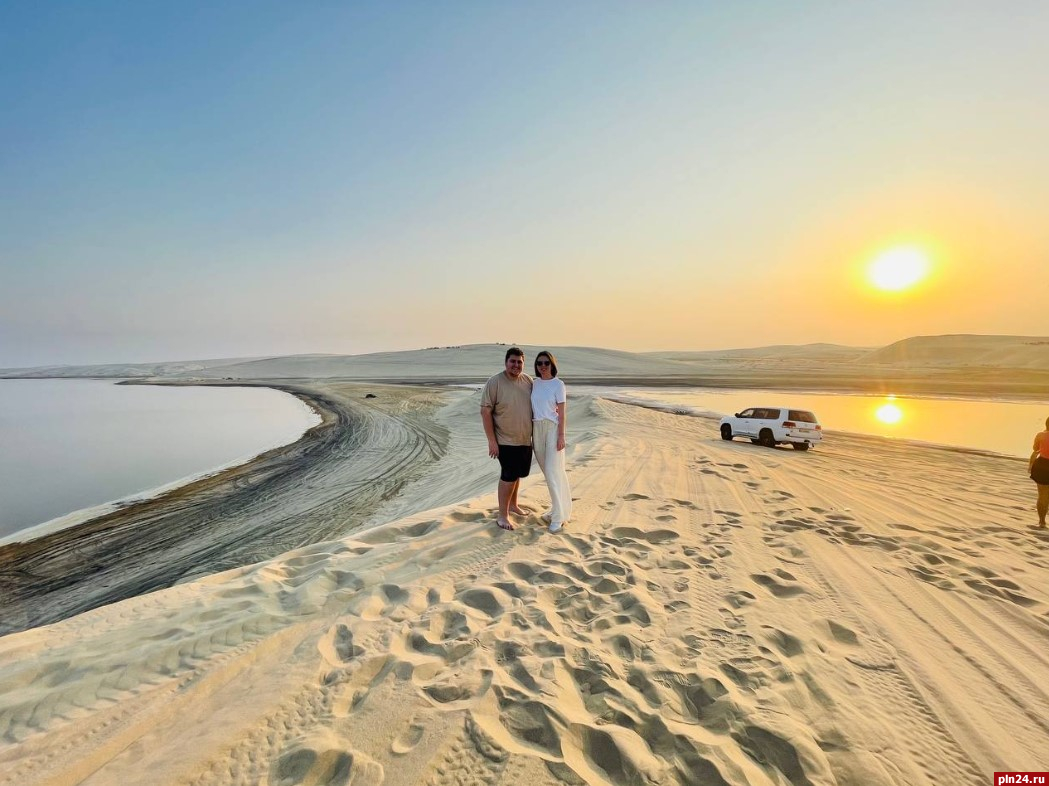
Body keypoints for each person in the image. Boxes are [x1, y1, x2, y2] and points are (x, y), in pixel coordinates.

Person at [480, 347, 534, 531]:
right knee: (508, 476)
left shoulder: (528, 381)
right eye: (512, 361)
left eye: (519, 362)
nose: (516, 365)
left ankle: (513, 505)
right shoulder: (495, 382)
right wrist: (491, 441)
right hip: (505, 440)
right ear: (506, 362)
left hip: (524, 439)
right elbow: (485, 411)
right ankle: (502, 516)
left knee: (517, 474)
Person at [531, 350, 572, 533]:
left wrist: (561, 436)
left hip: (553, 429)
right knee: (549, 473)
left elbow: (562, 414)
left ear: (552, 364)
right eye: (539, 363)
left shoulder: (558, 384)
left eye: (546, 363)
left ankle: (558, 518)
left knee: (552, 470)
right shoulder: (534, 383)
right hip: (536, 428)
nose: (543, 366)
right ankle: (558, 509)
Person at [1030, 416, 1049, 529]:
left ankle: (1042, 522)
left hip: (1041, 465)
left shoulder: (1040, 435)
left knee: (1042, 495)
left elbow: (1035, 448)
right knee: (1046, 496)